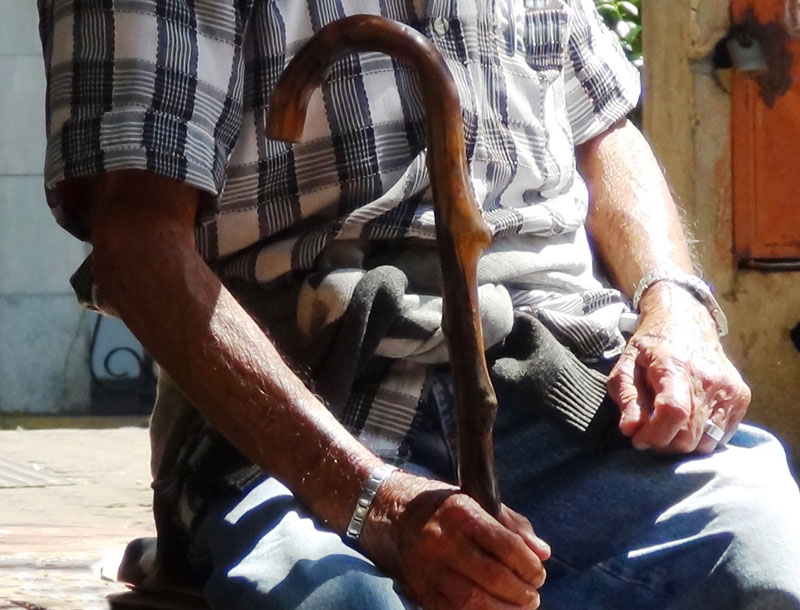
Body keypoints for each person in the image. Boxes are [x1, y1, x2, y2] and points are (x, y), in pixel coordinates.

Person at [37, 0, 800, 608]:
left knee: (765, 565)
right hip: (306, 421)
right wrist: (374, 500)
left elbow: (602, 127)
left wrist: (675, 305)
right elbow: (137, 240)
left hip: (563, 388)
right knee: (343, 600)